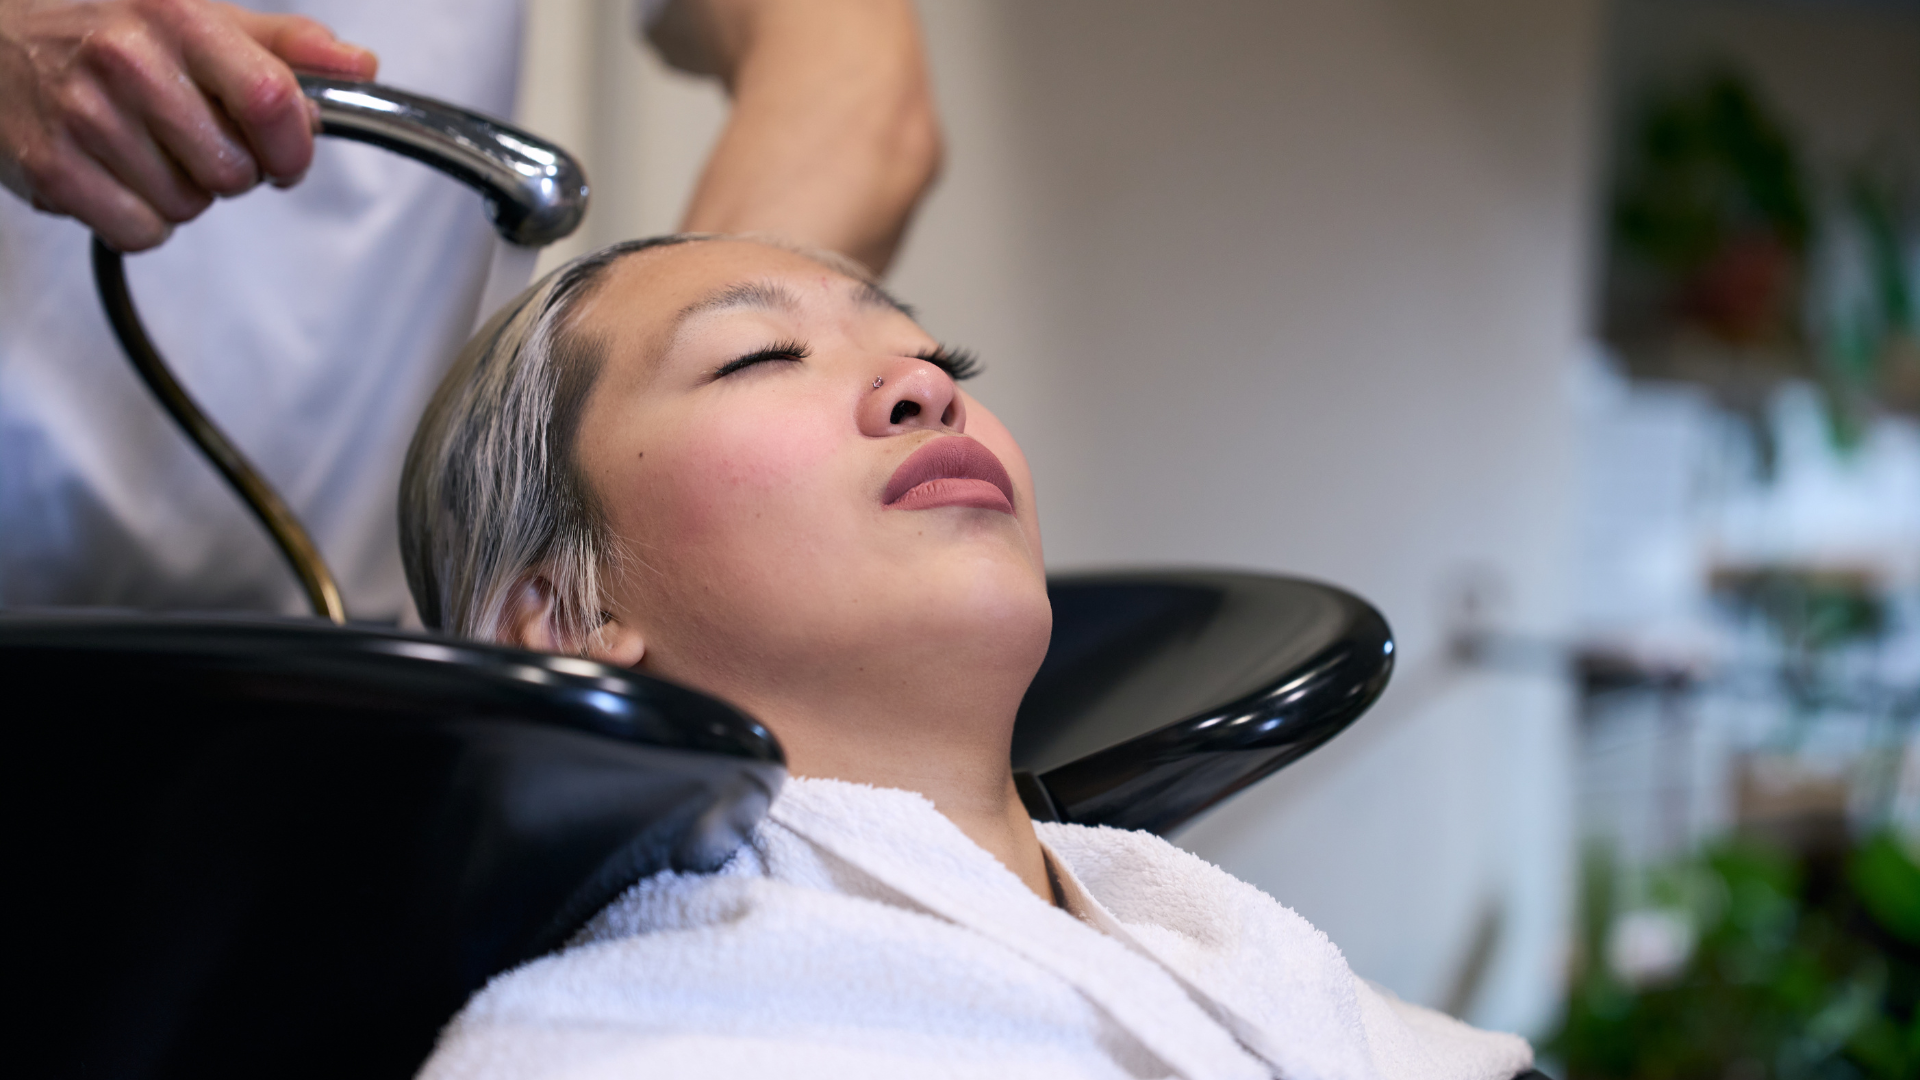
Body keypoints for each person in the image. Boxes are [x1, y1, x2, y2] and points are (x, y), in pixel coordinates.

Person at [400, 234, 1539, 1079]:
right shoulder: (594, 1053)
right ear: (559, 621)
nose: (927, 387)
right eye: (759, 356)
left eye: (940, 356)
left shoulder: (1247, 968)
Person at [0, 0, 939, 620]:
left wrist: (649, 398)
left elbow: (857, 97)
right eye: (761, 360)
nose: (923, 394)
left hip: (335, 647)